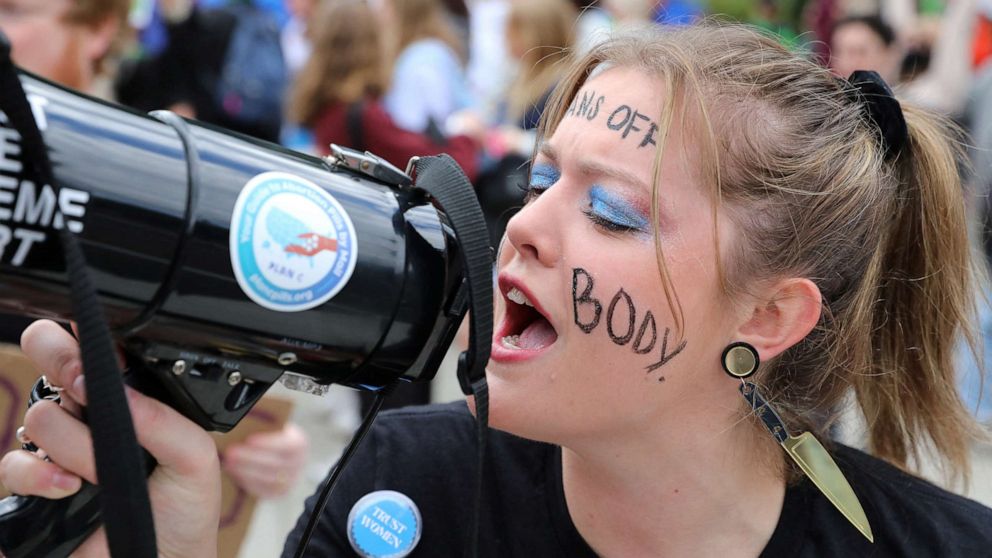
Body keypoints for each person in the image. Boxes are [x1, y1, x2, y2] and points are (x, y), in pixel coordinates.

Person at [4, 22, 992, 557]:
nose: (521, 226)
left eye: (610, 211)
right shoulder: (407, 480)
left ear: (767, 316)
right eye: (538, 179)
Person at [288, 0, 478, 179]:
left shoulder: (325, 105)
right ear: (372, 44)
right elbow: (441, 176)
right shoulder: (362, 115)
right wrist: (465, 136)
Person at [377, 0, 474, 135]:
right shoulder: (425, 51)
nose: (379, 12)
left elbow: (419, 128)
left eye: (386, 6)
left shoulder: (423, 58)